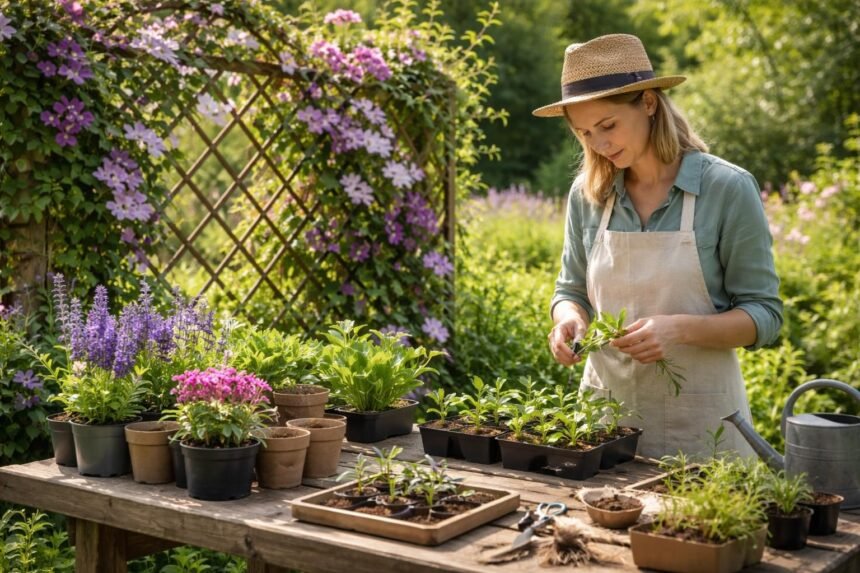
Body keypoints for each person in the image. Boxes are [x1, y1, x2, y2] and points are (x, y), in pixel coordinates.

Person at [535, 34, 783, 460]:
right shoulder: (588, 194)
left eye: (608, 125)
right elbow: (570, 291)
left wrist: (679, 330)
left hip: (706, 431)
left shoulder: (726, 188)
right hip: (603, 426)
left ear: (649, 102)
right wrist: (568, 321)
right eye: (585, 133)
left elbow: (765, 315)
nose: (600, 144)